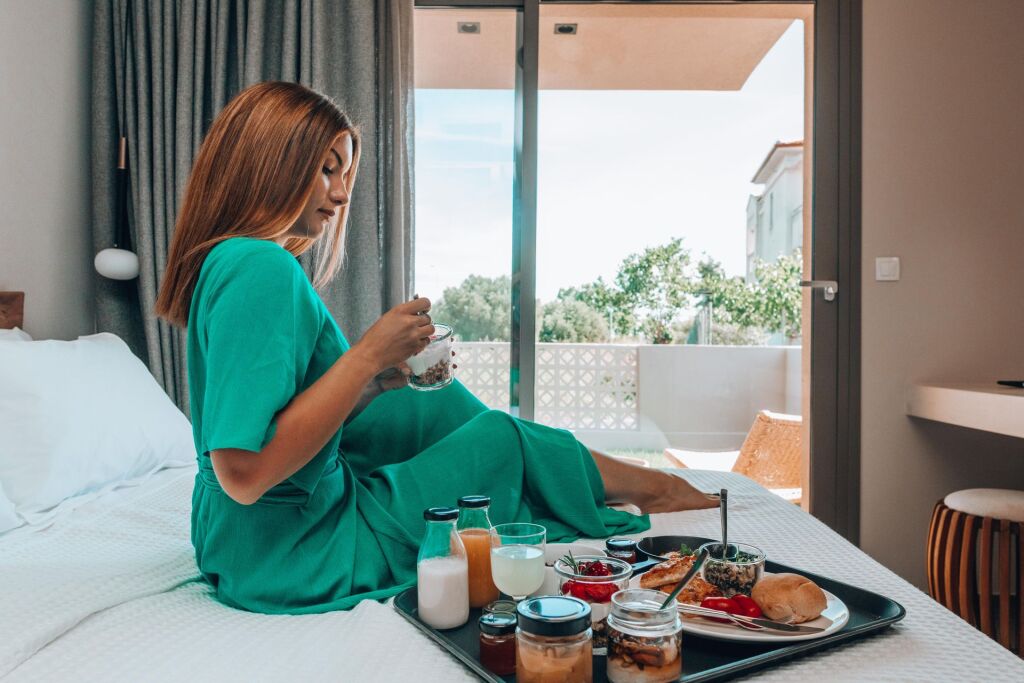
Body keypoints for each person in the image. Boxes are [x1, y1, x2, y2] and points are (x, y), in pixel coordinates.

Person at [155, 81, 717, 614]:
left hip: (241, 545)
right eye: (326, 169)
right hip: (297, 554)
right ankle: (651, 487)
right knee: (500, 438)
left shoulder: (235, 261)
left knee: (437, 403)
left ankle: (588, 476)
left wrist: (373, 382)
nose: (342, 193)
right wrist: (366, 356)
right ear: (270, 162)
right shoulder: (263, 267)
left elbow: (272, 421)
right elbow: (243, 472)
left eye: (344, 173)